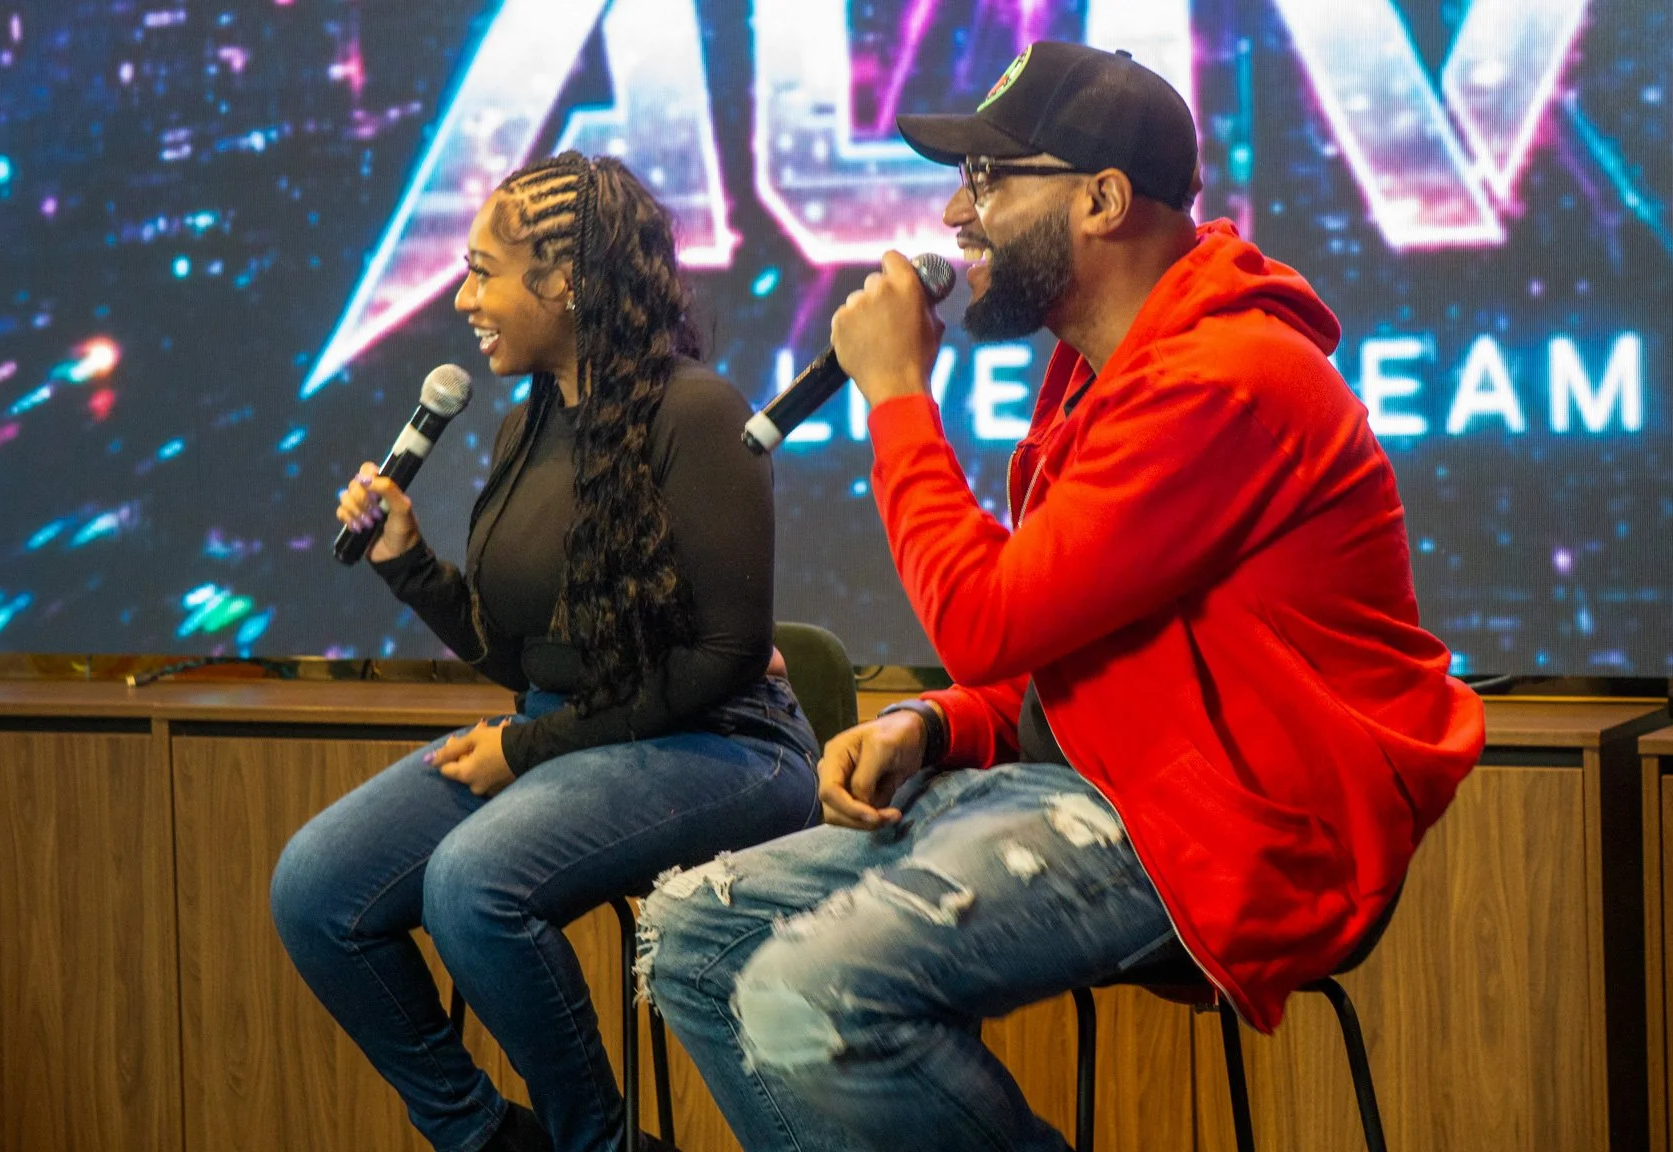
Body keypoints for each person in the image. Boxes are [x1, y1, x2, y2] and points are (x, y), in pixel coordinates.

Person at [637, 41, 1487, 1151]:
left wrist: (896, 396)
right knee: (694, 938)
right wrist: (937, 719)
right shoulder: (1104, 375)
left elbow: (985, 616)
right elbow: (1075, 652)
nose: (954, 212)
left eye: (988, 179)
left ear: (1100, 199)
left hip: (1222, 831)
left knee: (809, 993)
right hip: (1091, 786)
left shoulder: (1223, 377)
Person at [271, 151, 821, 1152]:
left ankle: (592, 1144)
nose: (463, 295)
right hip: (577, 735)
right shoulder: (526, 427)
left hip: (728, 744)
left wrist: (528, 751)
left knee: (472, 885)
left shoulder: (696, 412)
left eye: (483, 270)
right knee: (317, 889)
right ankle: (483, 1139)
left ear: (562, 280)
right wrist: (406, 563)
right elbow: (524, 660)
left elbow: (729, 655)